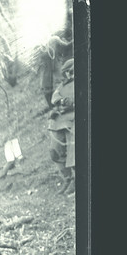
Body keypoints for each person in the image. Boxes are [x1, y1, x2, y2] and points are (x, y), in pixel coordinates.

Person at [48, 58, 75, 194]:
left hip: (75, 120)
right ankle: (67, 179)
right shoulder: (63, 85)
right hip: (59, 121)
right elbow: (55, 97)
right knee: (55, 151)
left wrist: (72, 103)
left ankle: (77, 180)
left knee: (74, 151)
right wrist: (61, 101)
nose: (69, 76)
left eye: (71, 72)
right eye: (66, 73)